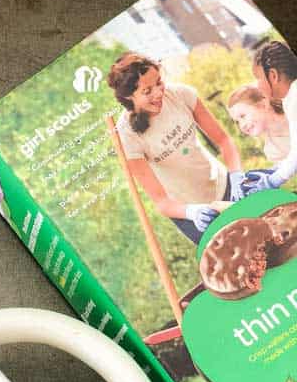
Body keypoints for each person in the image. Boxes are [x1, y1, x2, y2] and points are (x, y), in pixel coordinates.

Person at [109, 53, 244, 243]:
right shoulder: (127, 135)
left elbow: (223, 141)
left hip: (224, 186)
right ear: (129, 97)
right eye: (147, 91)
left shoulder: (181, 94)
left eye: (159, 82)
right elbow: (162, 203)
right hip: (189, 214)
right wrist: (192, 211)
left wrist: (236, 175)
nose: (158, 93)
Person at [244, 41, 297, 194]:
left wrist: (273, 180)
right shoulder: (289, 99)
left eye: (258, 78)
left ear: (273, 76)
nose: (257, 86)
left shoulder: (295, 96)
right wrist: (275, 169)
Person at [227, 84, 290, 163]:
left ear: (262, 105)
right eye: (237, 122)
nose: (242, 125)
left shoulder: (292, 107)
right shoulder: (273, 152)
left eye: (243, 116)